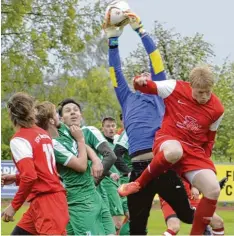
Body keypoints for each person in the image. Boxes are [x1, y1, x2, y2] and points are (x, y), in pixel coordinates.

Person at [104, 11, 194, 235]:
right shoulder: (126, 98)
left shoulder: (159, 94)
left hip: (162, 166)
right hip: (137, 170)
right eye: (140, 73)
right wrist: (113, 41)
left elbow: (156, 59)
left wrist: (140, 31)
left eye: (148, 73)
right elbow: (115, 72)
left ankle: (214, 225)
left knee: (188, 217)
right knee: (136, 229)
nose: (144, 74)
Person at [123, 64, 224, 235]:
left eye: (208, 91)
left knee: (213, 189)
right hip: (169, 140)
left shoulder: (217, 109)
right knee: (174, 152)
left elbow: (209, 141)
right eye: (200, 92)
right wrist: (138, 81)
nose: (205, 96)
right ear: (191, 86)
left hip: (194, 153)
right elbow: (146, 86)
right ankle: (138, 183)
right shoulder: (174, 87)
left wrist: (203, 165)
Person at [35, 101, 115, 235]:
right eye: (56, 113)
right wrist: (81, 140)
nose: (59, 115)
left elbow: (85, 147)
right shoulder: (52, 144)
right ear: (51, 121)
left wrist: (96, 160)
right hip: (79, 201)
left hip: (93, 194)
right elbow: (81, 166)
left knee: (111, 232)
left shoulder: (63, 129)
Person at [1, 92, 69, 235]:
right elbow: (43, 171)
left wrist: (13, 207)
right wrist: (15, 178)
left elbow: (30, 177)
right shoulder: (42, 133)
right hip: (50, 201)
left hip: (47, 204)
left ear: (12, 115)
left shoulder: (19, 139)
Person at [161, 181, 225, 236]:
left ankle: (203, 226)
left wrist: (195, 186)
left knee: (218, 222)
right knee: (174, 227)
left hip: (190, 198)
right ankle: (203, 226)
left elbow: (194, 176)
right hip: (170, 198)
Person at [101, 117, 129, 233]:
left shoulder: (118, 143)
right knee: (116, 223)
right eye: (107, 126)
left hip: (121, 184)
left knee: (131, 215)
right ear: (102, 128)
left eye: (113, 126)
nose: (111, 128)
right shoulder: (101, 145)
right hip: (109, 185)